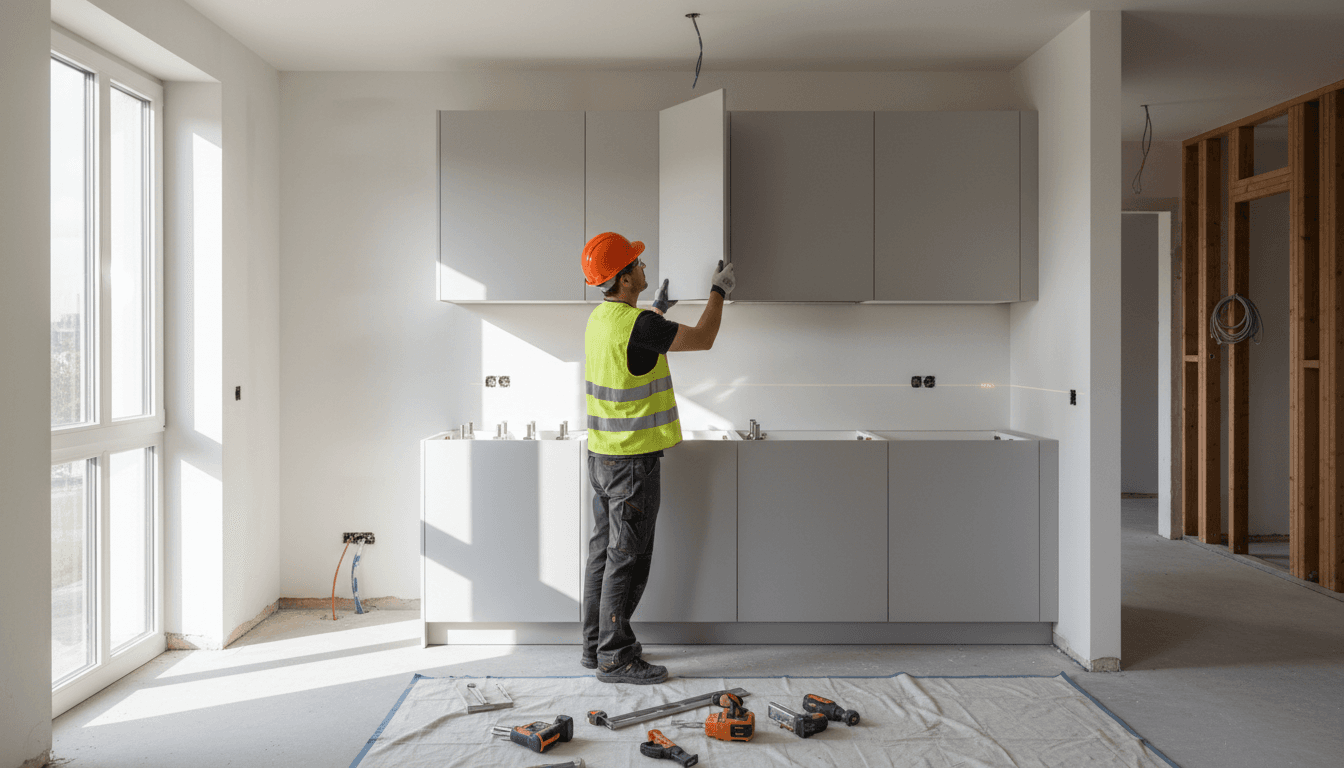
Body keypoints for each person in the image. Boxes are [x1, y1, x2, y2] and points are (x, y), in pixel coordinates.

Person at [579, 231, 735, 684]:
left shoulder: (601, 319)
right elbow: (703, 338)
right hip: (632, 462)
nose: (645, 267)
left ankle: (595, 646)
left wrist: (658, 312)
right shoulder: (639, 325)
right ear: (625, 278)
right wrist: (719, 291)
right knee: (627, 558)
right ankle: (616, 657)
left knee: (604, 555)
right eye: (638, 263)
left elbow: (633, 348)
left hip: (602, 457)